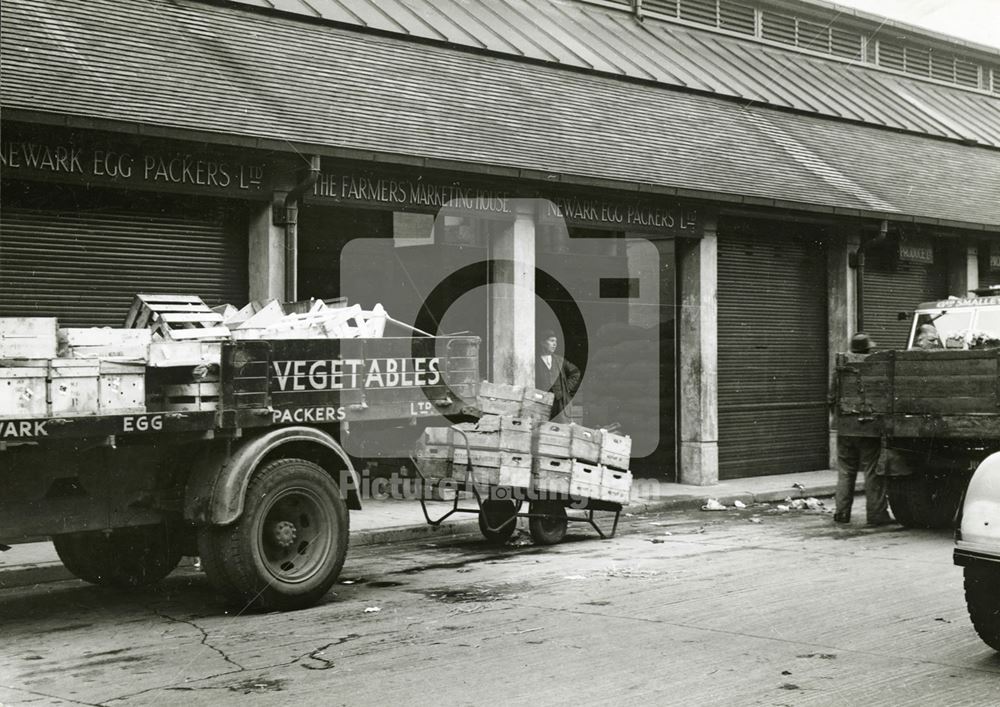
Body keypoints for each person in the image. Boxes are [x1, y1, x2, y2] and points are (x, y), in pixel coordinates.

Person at [834, 332, 892, 526]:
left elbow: (831, 398)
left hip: (845, 428)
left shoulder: (841, 366)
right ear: (868, 349)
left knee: (845, 472)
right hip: (868, 428)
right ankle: (876, 515)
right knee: (872, 471)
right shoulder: (875, 366)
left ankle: (842, 514)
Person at [535, 330, 580, 423]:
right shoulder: (535, 361)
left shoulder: (559, 360)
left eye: (556, 342)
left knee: (562, 428)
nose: (554, 344)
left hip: (560, 403)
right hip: (543, 403)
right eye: (551, 341)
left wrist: (567, 388)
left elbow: (576, 372)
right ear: (542, 342)